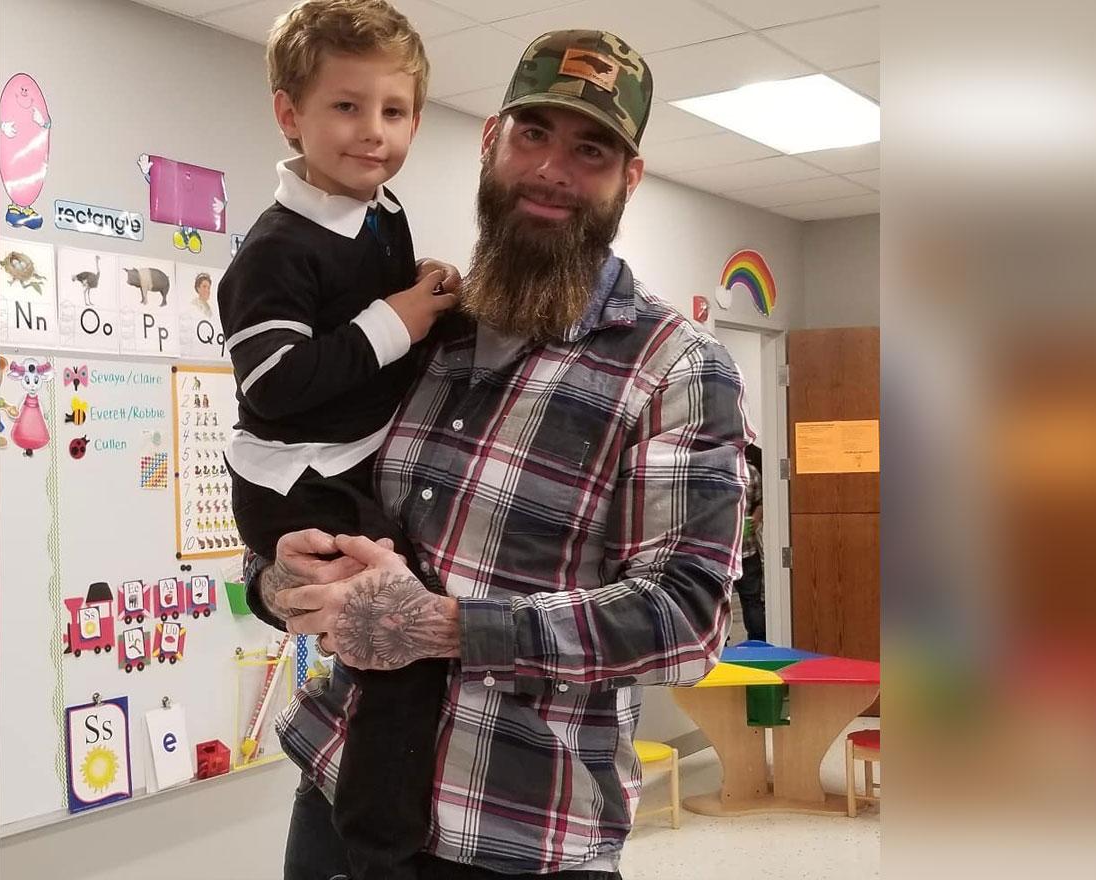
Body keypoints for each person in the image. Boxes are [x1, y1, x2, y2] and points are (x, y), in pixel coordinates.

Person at [247, 29, 752, 880]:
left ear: (628, 179)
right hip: (341, 792)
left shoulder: (674, 367)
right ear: (491, 142)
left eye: (590, 149)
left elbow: (686, 619)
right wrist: (280, 578)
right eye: (533, 135)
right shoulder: (416, 333)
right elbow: (309, 483)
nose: (554, 169)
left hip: (519, 837)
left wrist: (445, 628)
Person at [215, 2, 460, 879]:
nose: (373, 134)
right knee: (396, 635)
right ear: (292, 115)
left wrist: (424, 294)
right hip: (297, 477)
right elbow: (276, 383)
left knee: (399, 625)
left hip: (352, 452)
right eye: (347, 108)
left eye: (393, 113)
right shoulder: (274, 252)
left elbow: (377, 315)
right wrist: (394, 321)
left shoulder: (378, 213)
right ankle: (375, 841)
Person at [733, 444, 767, 642]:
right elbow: (761, 502)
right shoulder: (750, 471)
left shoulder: (709, 472)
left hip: (716, 554)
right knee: (752, 601)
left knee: (715, 603)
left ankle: (719, 650)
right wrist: (756, 517)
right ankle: (758, 645)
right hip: (747, 550)